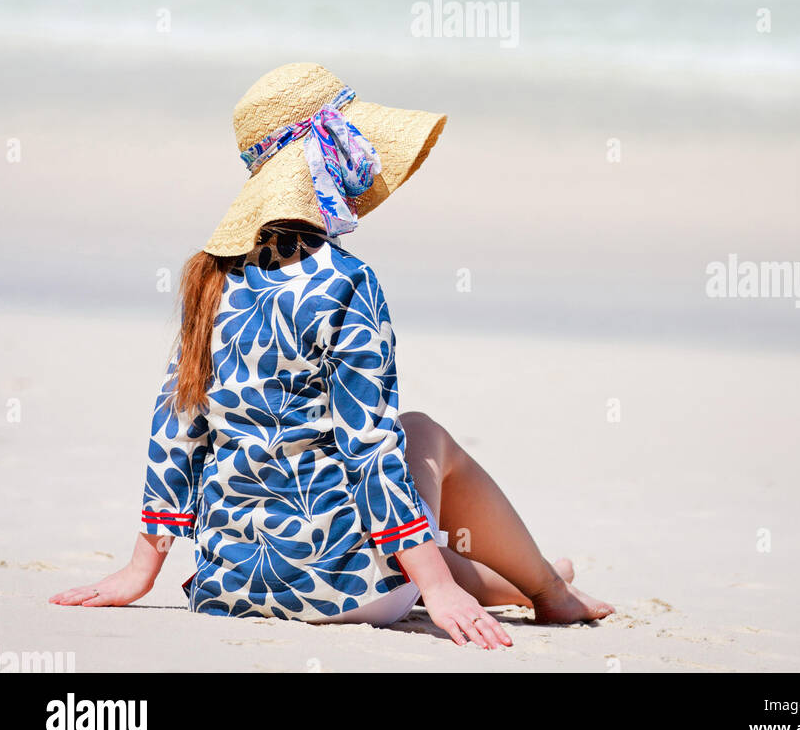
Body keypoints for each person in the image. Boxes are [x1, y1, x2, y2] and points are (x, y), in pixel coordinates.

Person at [51, 63, 614, 649]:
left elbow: (177, 424)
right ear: (329, 161)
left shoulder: (209, 277)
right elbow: (369, 446)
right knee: (421, 432)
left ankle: (529, 580)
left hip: (231, 585)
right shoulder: (347, 281)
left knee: (416, 551)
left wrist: (142, 569)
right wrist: (439, 593)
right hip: (352, 592)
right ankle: (546, 587)